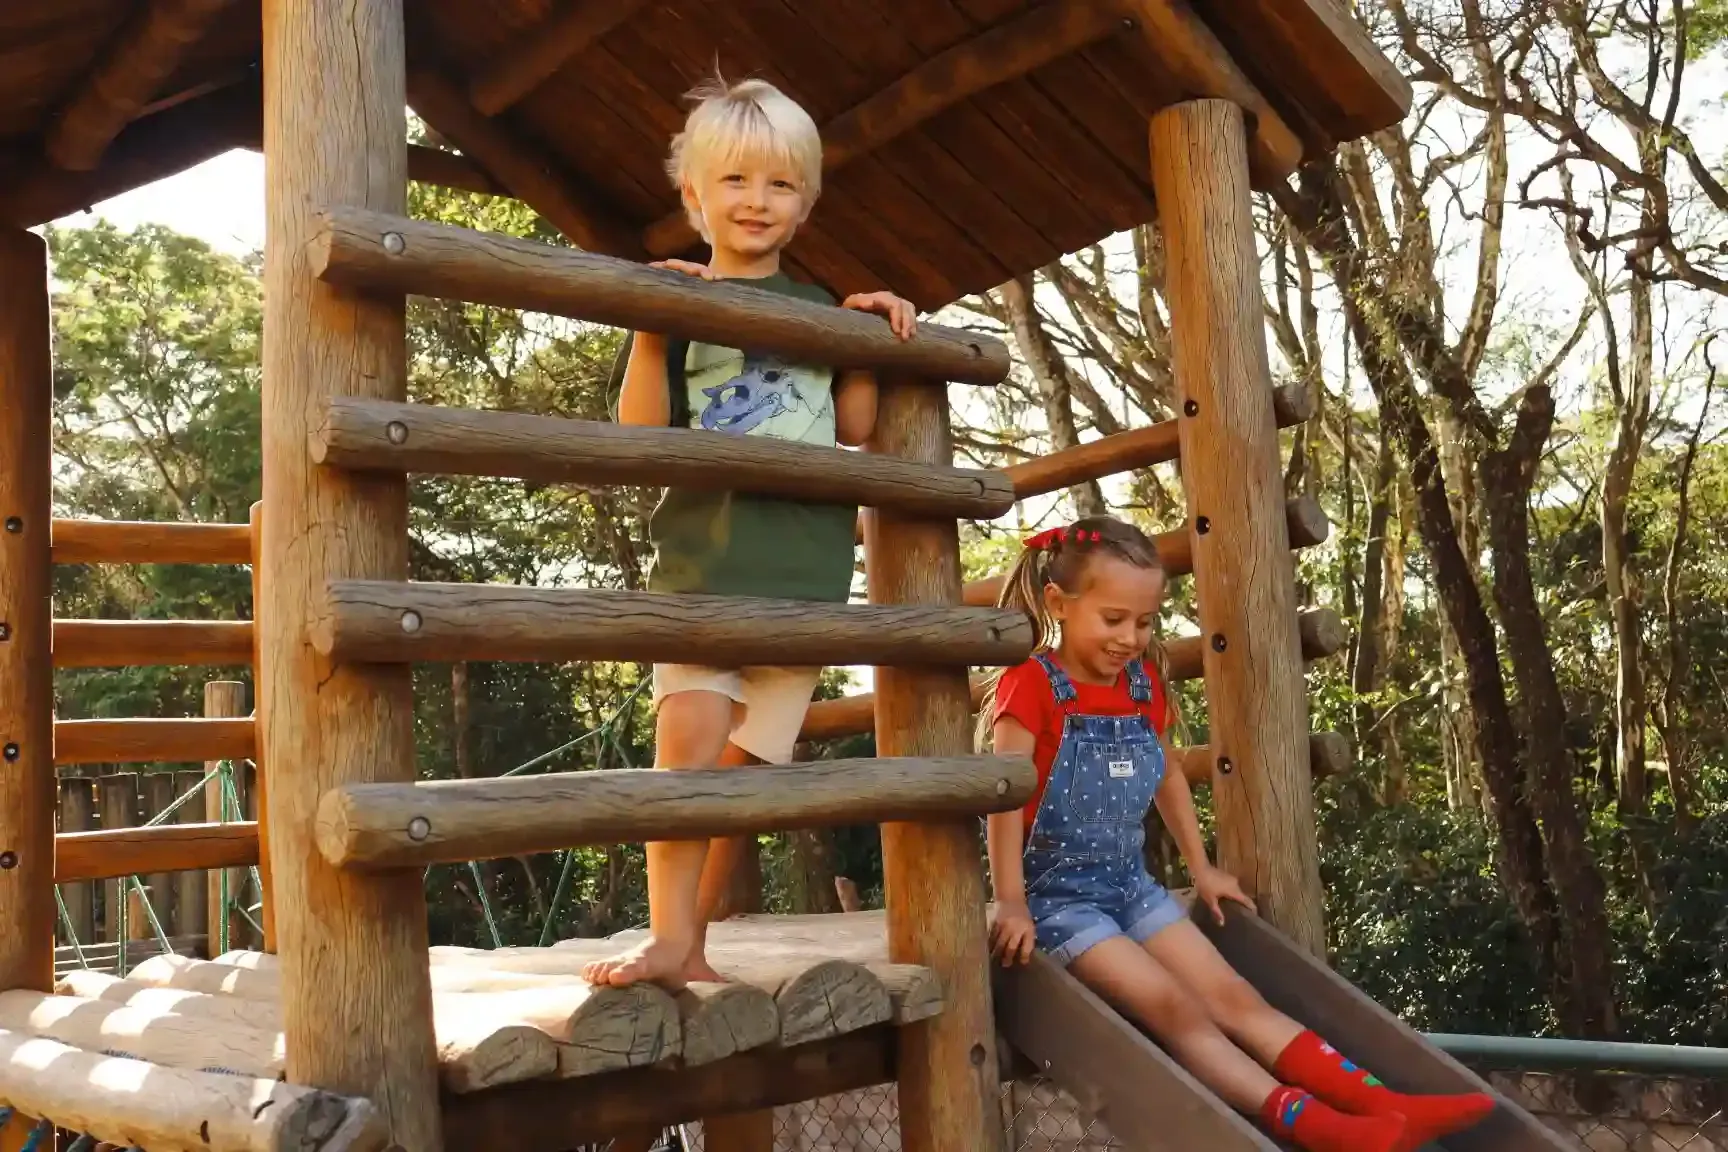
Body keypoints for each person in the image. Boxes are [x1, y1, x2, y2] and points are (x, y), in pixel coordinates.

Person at [982, 516, 1495, 1152]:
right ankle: (1319, 1126)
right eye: (1113, 619)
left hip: (1132, 887)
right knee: (1174, 1007)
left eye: (1143, 622)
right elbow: (1003, 799)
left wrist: (1202, 867)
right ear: (1060, 603)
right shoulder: (1030, 686)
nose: (1130, 638)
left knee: (1233, 995)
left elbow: (1167, 773)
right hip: (1062, 902)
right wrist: (1009, 898)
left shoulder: (1141, 686)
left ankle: (1387, 1107)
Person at [582, 75, 917, 990]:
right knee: (686, 755)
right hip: (703, 569)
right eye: (733, 182)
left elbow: (853, 424)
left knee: (736, 781)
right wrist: (653, 330)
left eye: (778, 185)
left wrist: (874, 328)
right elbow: (641, 431)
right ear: (694, 197)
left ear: (805, 203)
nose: (755, 202)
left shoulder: (817, 309)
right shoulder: (679, 302)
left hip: (805, 582)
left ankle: (692, 943)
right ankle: (665, 938)